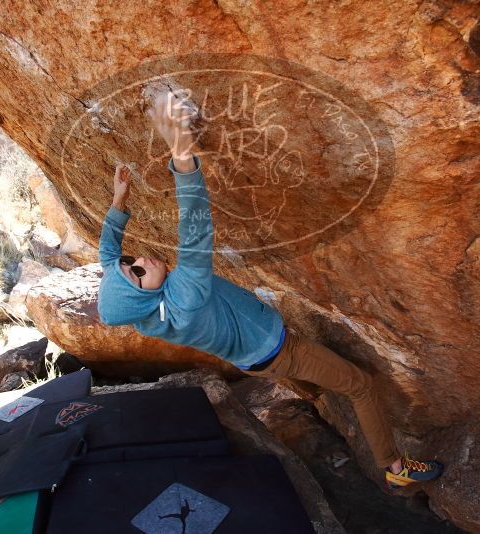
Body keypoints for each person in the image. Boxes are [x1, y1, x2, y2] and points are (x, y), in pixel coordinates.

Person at [97, 91, 443, 490]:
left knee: (303, 378)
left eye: (131, 261)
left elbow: (109, 253)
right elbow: (194, 227)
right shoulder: (184, 300)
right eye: (138, 273)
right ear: (143, 295)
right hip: (279, 350)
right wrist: (180, 153)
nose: (141, 260)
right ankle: (394, 467)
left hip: (250, 357)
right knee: (360, 386)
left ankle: (311, 395)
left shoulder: (141, 314)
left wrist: (119, 201)